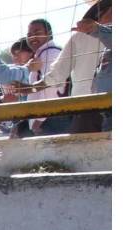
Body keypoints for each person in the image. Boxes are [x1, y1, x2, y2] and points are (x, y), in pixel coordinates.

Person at [26, 0, 111, 133]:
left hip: (86, 109)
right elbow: (57, 74)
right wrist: (31, 88)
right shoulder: (79, 37)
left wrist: (31, 89)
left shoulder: (79, 38)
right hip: (86, 109)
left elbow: (56, 75)